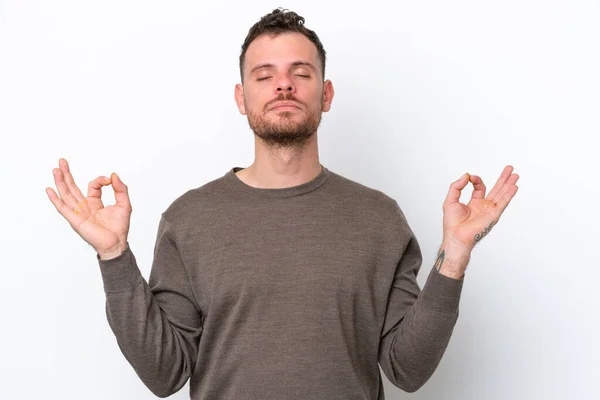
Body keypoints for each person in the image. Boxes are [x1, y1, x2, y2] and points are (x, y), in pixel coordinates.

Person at [46, 8, 519, 400]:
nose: (283, 86)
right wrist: (114, 257)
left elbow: (406, 370)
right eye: (264, 75)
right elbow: (164, 374)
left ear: (326, 94)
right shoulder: (189, 219)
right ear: (241, 97)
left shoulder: (379, 218)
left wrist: (454, 257)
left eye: (301, 72)